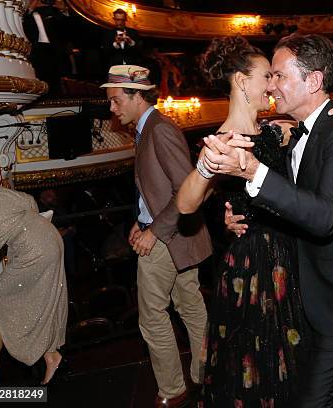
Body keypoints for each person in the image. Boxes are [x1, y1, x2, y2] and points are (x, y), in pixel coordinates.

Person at [201, 33, 333, 407]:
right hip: (313, 292)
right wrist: (239, 213)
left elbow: (323, 216)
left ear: (314, 81)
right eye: (268, 77)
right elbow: (294, 202)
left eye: (278, 76)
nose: (271, 86)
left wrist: (254, 173)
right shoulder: (297, 132)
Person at [101, 65, 212, 408]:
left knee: (151, 317)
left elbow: (189, 189)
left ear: (137, 96)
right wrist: (142, 219)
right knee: (191, 307)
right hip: (174, 233)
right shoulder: (147, 128)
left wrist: (154, 231)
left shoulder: (159, 129)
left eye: (117, 100)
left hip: (168, 238)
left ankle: (173, 389)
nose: (112, 108)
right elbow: (159, 188)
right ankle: (205, 374)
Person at [0, 184, 67, 389]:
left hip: (33, 249)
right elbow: (29, 200)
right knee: (32, 301)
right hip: (48, 236)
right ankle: (51, 355)